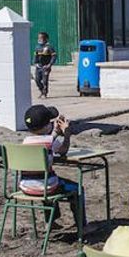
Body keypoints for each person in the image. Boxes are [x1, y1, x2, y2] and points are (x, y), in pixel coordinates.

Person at [21, 104, 84, 232]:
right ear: (46, 126)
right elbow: (63, 150)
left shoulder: (26, 142)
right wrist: (66, 133)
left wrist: (54, 132)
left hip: (25, 186)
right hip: (45, 187)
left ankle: (51, 221)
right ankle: (82, 225)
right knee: (77, 189)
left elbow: (49, 138)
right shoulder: (48, 141)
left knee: (46, 182)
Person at [33, 32, 57, 99]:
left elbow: (54, 56)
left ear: (46, 39)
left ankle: (45, 93)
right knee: (37, 80)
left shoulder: (49, 47)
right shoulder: (37, 47)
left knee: (45, 80)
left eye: (41, 38)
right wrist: (35, 63)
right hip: (38, 67)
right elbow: (35, 56)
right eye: (39, 38)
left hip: (45, 67)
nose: (39, 39)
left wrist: (50, 64)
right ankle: (41, 90)